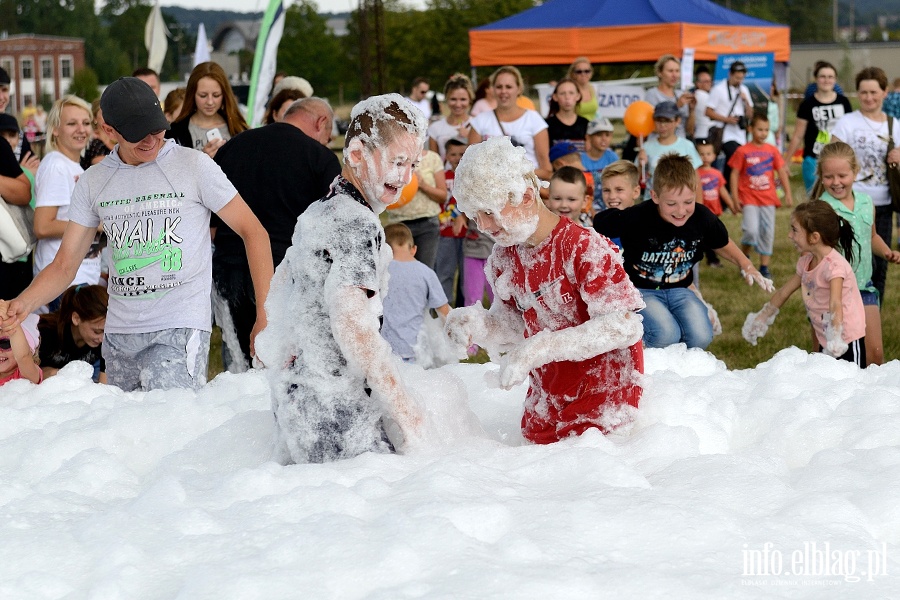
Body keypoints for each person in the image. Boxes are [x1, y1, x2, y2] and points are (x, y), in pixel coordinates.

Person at [0, 77, 274, 392]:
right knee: (128, 436)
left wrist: (264, 314)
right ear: (109, 131)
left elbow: (254, 232)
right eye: (137, 135)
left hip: (179, 327)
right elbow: (65, 265)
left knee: (168, 428)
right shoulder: (94, 181)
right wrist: (22, 303)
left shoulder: (193, 166)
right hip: (118, 334)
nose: (150, 140)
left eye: (156, 130)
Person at [255, 93, 426, 464]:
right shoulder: (356, 224)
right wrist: (404, 409)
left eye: (413, 163)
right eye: (398, 161)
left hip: (297, 396)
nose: (405, 175)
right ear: (358, 154)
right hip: (334, 403)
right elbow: (354, 327)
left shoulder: (320, 210)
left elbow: (281, 293)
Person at [445, 136, 645, 443]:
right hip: (547, 403)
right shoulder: (503, 256)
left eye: (488, 212)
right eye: (475, 217)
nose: (483, 226)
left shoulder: (583, 247)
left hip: (606, 402)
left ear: (525, 196)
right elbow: (512, 324)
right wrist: (477, 325)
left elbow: (623, 326)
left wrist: (539, 348)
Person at [212, 97, 341, 368]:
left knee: (238, 366)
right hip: (287, 275)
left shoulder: (234, 146)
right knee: (285, 365)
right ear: (321, 122)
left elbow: (211, 223)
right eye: (328, 136)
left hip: (231, 269)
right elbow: (333, 225)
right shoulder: (320, 157)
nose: (326, 142)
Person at [594, 154, 772, 350]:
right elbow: (600, 223)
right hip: (642, 290)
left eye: (688, 202)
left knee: (701, 336)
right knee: (666, 334)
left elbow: (721, 243)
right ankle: (641, 358)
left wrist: (747, 266)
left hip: (681, 289)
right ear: (655, 197)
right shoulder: (637, 217)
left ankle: (683, 372)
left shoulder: (702, 217)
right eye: (671, 204)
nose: (680, 211)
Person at [743, 201, 866, 366]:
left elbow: (836, 303)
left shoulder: (834, 266)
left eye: (794, 230)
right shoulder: (806, 262)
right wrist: (761, 318)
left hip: (847, 338)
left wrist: (836, 336)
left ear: (814, 237)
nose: (789, 235)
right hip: (826, 335)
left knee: (852, 382)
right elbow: (783, 293)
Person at [810, 141, 900, 365]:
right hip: (830, 293)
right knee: (827, 357)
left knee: (875, 355)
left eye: (842, 175)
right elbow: (814, 253)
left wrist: (887, 252)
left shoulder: (866, 202)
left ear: (855, 172)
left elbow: (871, 237)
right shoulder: (822, 209)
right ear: (821, 176)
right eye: (829, 177)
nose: (836, 182)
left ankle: (868, 399)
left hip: (863, 286)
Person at [830, 66, 900, 305]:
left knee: (879, 263)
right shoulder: (847, 122)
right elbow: (832, 157)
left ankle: (873, 312)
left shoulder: (895, 125)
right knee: (848, 260)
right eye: (863, 92)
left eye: (874, 92)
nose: (869, 98)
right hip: (850, 204)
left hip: (883, 203)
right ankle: (847, 310)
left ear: (885, 92)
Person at [33, 95, 102, 305]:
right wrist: (95, 226)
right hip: (63, 283)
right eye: (72, 124)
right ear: (55, 129)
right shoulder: (56, 165)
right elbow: (42, 226)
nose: (81, 129)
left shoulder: (74, 166)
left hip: (81, 277)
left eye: (86, 123)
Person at [729, 113, 793, 280]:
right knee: (750, 231)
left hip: (768, 198)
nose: (763, 133)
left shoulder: (772, 150)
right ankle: (744, 257)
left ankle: (764, 267)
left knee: (767, 232)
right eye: (759, 129)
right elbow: (734, 174)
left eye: (766, 130)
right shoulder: (742, 151)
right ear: (750, 129)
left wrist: (788, 194)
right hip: (749, 197)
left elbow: (782, 171)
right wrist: (735, 198)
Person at [381, 223, 450, 363]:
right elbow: (444, 312)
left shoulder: (380, 272)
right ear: (413, 249)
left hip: (384, 349)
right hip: (416, 349)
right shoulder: (426, 273)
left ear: (384, 250)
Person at [469, 65, 552, 180]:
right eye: (499, 87)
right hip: (492, 190)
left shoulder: (534, 119)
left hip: (527, 189)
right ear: (492, 89)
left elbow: (546, 170)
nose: (503, 91)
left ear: (519, 89)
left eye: (508, 87)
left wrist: (516, 172)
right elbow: (471, 165)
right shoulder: (479, 121)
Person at [783, 61, 851, 193]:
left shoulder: (843, 102)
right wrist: (786, 161)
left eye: (830, 77)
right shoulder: (807, 105)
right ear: (816, 79)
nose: (826, 80)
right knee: (815, 201)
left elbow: (850, 131)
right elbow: (798, 135)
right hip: (813, 159)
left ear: (835, 80)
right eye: (823, 76)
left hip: (839, 158)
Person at [167, 61, 249, 158]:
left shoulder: (239, 127)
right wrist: (203, 161)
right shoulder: (176, 132)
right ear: (192, 94)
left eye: (216, 95)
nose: (210, 102)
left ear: (225, 95)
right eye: (203, 95)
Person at [382, 147, 446, 269]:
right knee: (397, 270)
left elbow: (443, 196)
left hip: (427, 224)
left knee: (425, 270)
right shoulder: (389, 158)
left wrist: (423, 185)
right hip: (398, 225)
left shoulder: (432, 158)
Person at [37, 284, 108, 382]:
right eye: (96, 332)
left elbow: (105, 385)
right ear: (76, 318)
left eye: (107, 332)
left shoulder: (106, 340)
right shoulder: (45, 333)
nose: (102, 339)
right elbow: (25, 374)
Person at [638, 101, 702, 199]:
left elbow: (696, 180)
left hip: (678, 204)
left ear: (677, 121)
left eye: (667, 120)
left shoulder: (687, 146)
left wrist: (699, 209)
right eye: (659, 120)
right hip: (651, 203)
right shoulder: (646, 147)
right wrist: (640, 164)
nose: (662, 125)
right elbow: (636, 178)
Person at [706, 61, 753, 182]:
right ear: (730, 74)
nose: (739, 81)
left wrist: (746, 101)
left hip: (740, 133)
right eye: (737, 78)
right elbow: (708, 112)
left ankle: (728, 190)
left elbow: (750, 114)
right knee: (734, 157)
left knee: (733, 164)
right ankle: (728, 190)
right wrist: (726, 119)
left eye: (741, 78)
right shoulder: (719, 89)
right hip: (725, 132)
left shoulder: (744, 89)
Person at [435, 138, 467, 306]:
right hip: (444, 232)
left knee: (466, 276)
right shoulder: (442, 178)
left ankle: (464, 311)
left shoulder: (470, 179)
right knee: (444, 273)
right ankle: (444, 310)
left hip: (468, 234)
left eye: (462, 154)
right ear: (446, 156)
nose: (457, 158)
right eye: (453, 154)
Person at [645, 54, 695, 139]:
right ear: (660, 73)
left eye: (677, 71)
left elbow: (689, 130)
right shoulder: (652, 94)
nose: (674, 75)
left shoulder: (681, 94)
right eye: (670, 71)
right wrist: (676, 106)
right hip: (660, 146)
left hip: (680, 145)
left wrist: (692, 110)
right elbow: (651, 127)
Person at [427, 73, 473, 160]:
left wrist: (470, 137)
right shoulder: (435, 128)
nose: (458, 104)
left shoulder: (478, 126)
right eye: (453, 99)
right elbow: (434, 163)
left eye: (463, 99)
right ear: (446, 99)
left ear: (470, 100)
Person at [580, 117, 618, 212]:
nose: (604, 139)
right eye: (599, 135)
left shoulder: (613, 157)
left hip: (609, 204)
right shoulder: (580, 159)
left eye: (607, 135)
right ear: (588, 137)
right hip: (586, 207)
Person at [0, 302, 41, 385]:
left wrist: (10, 320)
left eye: (5, 343)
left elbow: (23, 357)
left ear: (28, 349)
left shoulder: (26, 376)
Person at [545, 78, 588, 150]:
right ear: (555, 97)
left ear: (578, 96)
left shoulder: (586, 124)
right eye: (562, 93)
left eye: (571, 93)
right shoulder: (546, 125)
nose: (567, 97)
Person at [80, 99, 115, 170]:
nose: (109, 116)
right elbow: (107, 170)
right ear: (95, 118)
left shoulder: (119, 139)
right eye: (104, 113)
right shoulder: (94, 143)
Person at [692, 66, 714, 141]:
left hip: (700, 134)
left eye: (710, 81)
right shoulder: (702, 95)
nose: (709, 83)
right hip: (706, 135)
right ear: (698, 84)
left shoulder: (696, 95)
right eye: (706, 81)